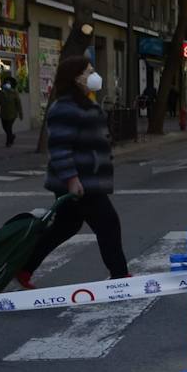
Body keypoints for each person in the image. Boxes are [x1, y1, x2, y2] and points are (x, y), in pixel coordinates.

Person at [16, 56, 129, 288]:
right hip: (81, 182)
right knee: (108, 223)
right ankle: (120, 276)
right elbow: (59, 147)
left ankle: (24, 267)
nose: (93, 75)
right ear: (75, 78)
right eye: (88, 71)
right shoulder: (64, 107)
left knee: (64, 227)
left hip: (87, 179)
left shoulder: (84, 102)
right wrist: (71, 179)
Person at [0, 74, 22, 147]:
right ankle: (12, 136)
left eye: (9, 83)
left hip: (12, 114)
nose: (7, 85)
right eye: (6, 83)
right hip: (3, 114)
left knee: (9, 127)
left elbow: (18, 104)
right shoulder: (1, 94)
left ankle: (8, 142)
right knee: (5, 127)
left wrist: (20, 113)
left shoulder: (14, 93)